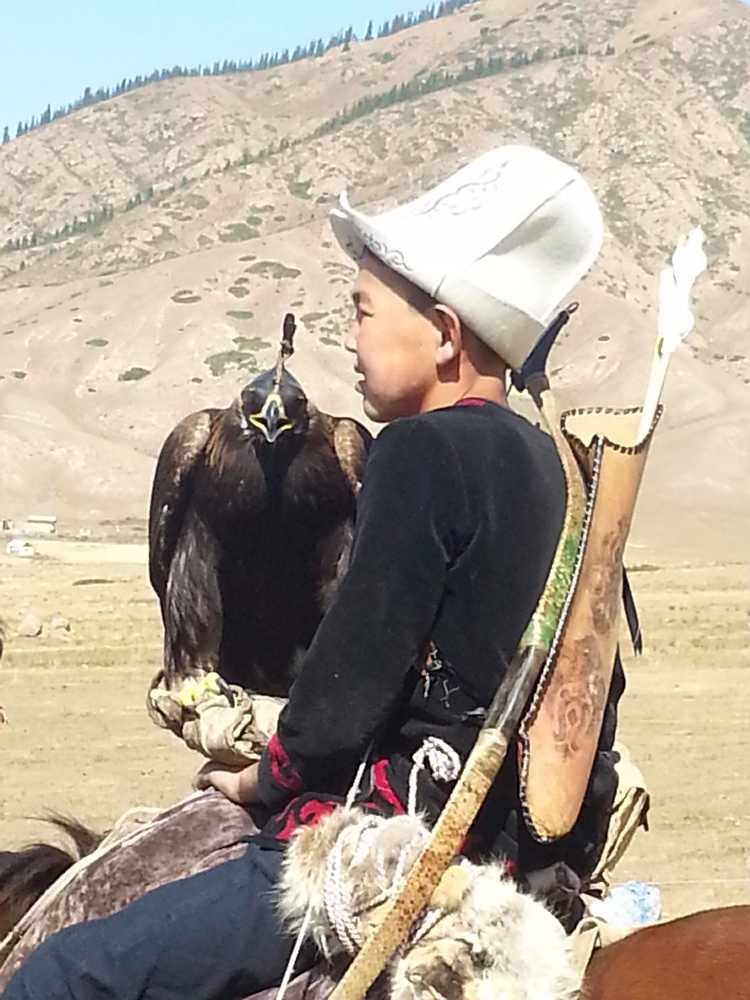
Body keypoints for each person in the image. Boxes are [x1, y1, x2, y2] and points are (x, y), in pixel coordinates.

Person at [2, 144, 625, 1000]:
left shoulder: (418, 451)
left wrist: (263, 774)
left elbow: (347, 686)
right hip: (526, 856)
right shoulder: (558, 464)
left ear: (444, 336)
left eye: (364, 312)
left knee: (58, 974)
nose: (350, 337)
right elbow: (593, 683)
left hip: (402, 853)